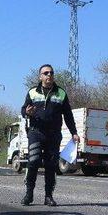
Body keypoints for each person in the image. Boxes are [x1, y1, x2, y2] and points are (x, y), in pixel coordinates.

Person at [21, 64, 79, 206]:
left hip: (53, 134)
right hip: (36, 132)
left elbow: (68, 115)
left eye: (51, 73)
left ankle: (48, 196)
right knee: (33, 161)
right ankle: (29, 194)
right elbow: (23, 110)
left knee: (51, 165)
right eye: (45, 73)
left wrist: (74, 132)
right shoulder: (32, 92)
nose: (49, 75)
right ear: (40, 76)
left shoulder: (61, 93)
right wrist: (27, 112)